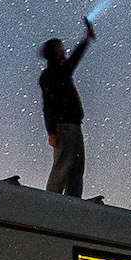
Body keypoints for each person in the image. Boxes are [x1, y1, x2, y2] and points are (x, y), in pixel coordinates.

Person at [40, 18, 96, 197]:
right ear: (54, 52)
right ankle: (51, 201)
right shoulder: (52, 74)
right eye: (60, 47)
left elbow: (71, 62)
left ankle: (73, 204)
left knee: (76, 170)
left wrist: (86, 39)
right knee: (63, 166)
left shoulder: (60, 71)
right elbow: (48, 105)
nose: (63, 49)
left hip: (73, 125)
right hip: (64, 126)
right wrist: (51, 132)